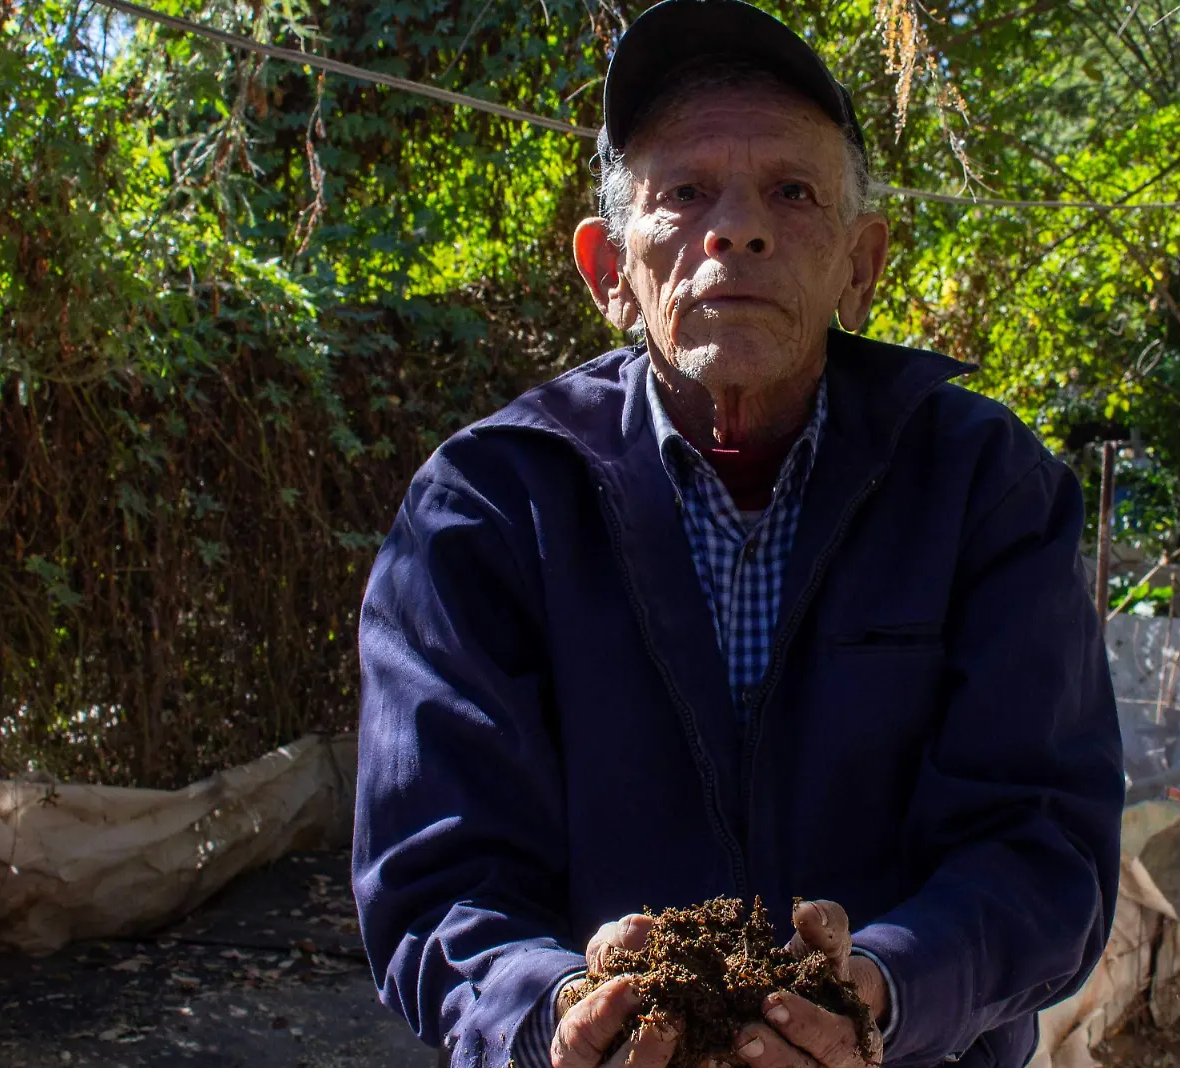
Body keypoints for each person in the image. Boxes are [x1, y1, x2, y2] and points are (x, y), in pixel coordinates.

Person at [353, 4, 1124, 1068]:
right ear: (608, 272)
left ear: (863, 265)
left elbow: (1045, 848)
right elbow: (433, 874)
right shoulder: (486, 508)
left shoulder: (984, 488)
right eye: (684, 192)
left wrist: (886, 987)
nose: (738, 229)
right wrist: (553, 1006)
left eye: (791, 194)